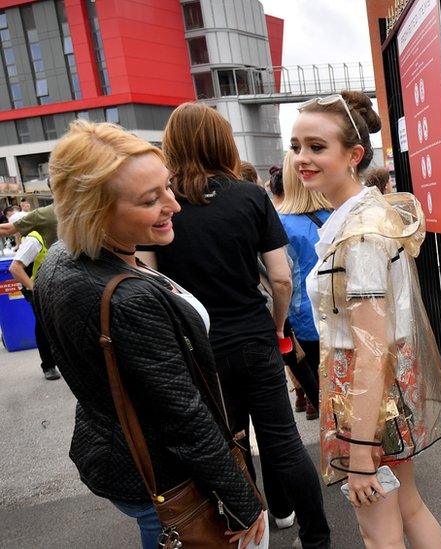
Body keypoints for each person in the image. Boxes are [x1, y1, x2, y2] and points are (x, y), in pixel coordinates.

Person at [33, 120, 265, 549]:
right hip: (163, 474)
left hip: (119, 454)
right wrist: (243, 500)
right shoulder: (125, 298)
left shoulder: (63, 259)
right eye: (150, 199)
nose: (174, 206)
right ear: (95, 211)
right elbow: (183, 415)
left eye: (168, 188)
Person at [141, 102, 331, 548]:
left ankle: (251, 529)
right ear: (222, 141)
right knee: (284, 441)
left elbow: (153, 283)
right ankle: (317, 538)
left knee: (229, 444)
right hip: (253, 334)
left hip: (197, 348)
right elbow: (281, 278)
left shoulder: (164, 207)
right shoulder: (250, 196)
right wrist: (277, 327)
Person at [292, 91, 441, 548]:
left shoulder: (360, 234)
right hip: (379, 386)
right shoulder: (364, 217)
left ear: (354, 155)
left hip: (367, 392)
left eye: (317, 147)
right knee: (408, 507)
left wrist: (362, 452)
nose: (302, 158)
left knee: (379, 531)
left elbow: (369, 347)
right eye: (297, 145)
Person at [276, 151, 329, 418]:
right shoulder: (338, 213)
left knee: (320, 391)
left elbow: (281, 278)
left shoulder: (280, 223)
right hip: (343, 313)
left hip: (304, 319)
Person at [9, 228, 60, 380]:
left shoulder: (61, 232)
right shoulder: (34, 238)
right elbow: (15, 268)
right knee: (44, 324)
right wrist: (35, 289)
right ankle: (49, 365)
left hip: (53, 286)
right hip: (34, 288)